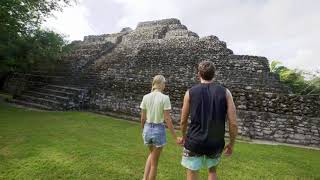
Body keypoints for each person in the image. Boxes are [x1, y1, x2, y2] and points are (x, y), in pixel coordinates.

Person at [178, 61, 238, 180]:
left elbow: (183, 121)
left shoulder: (189, 93)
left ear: (199, 74)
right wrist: (231, 143)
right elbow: (233, 123)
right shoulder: (226, 93)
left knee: (192, 172)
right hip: (215, 143)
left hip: (194, 141)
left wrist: (183, 136)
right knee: (212, 171)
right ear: (214, 74)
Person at [140, 75, 179, 180]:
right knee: (154, 164)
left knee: (151, 154)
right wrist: (175, 137)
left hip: (147, 129)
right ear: (161, 84)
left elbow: (143, 118)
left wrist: (143, 130)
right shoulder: (165, 98)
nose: (165, 85)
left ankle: (144, 178)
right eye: (164, 83)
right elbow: (167, 119)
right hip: (158, 130)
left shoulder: (145, 97)